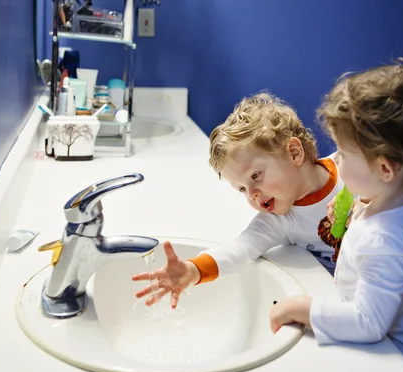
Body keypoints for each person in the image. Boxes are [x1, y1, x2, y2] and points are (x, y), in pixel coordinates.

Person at [269, 61, 403, 372]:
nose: (336, 161)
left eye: (343, 154)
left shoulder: (384, 238)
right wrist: (361, 207)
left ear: (385, 168)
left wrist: (302, 308)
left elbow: (369, 323)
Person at [132, 92, 353, 307]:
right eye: (242, 189)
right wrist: (193, 270)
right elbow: (241, 248)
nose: (252, 194)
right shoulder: (280, 219)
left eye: (256, 176)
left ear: (294, 153)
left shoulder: (355, 172)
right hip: (339, 300)